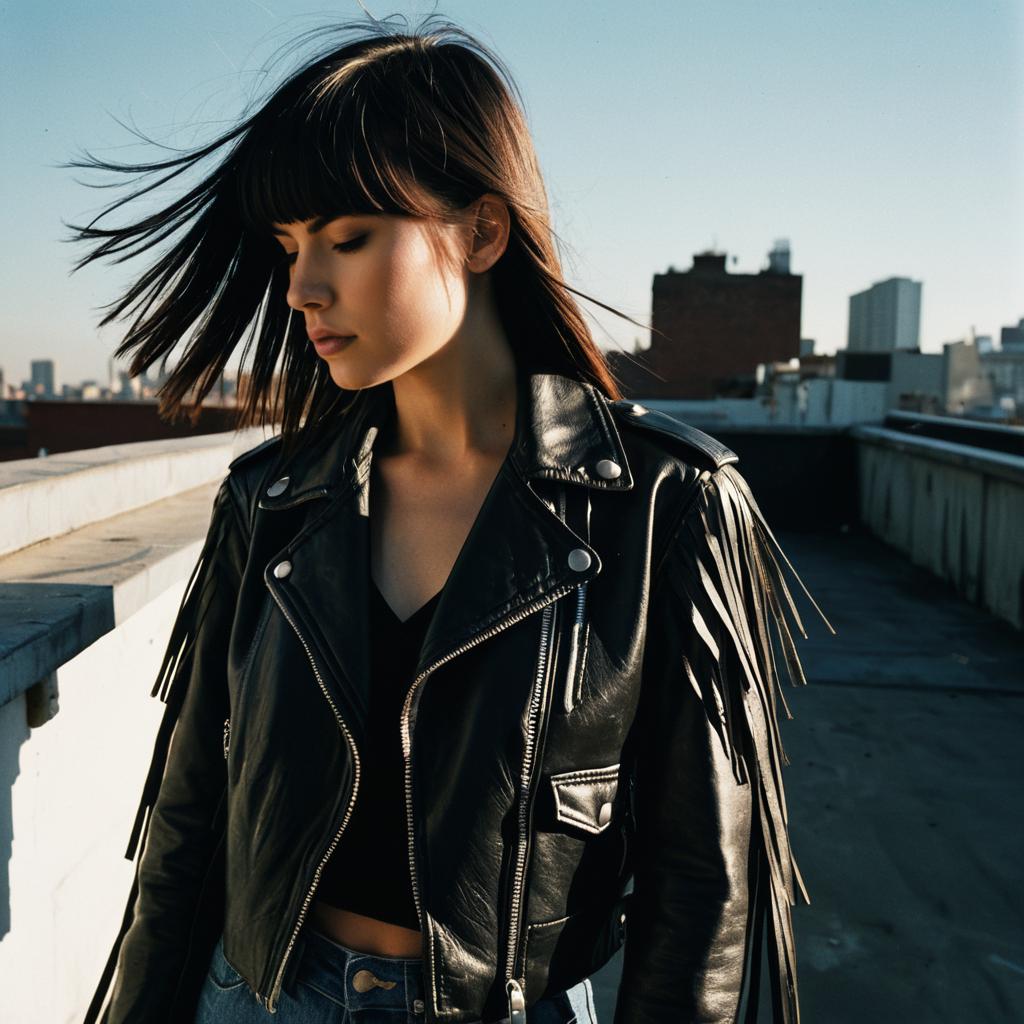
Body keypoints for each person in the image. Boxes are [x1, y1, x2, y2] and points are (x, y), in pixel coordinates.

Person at [65, 14, 834, 1024]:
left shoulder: (662, 506)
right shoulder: (276, 501)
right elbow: (190, 816)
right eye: (290, 246)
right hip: (255, 999)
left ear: (480, 231)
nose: (301, 286)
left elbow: (701, 890)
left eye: (347, 238)